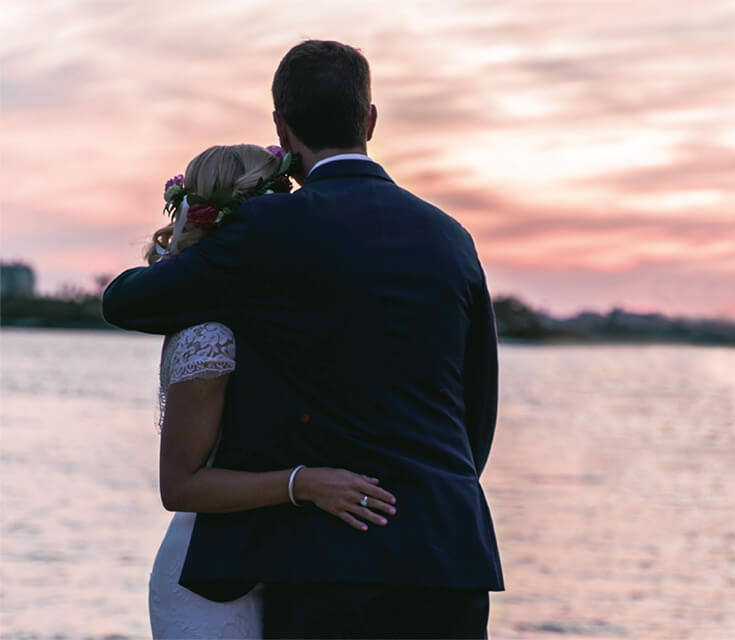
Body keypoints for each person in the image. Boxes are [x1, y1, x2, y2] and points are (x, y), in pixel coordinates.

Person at [102, 40, 503, 638]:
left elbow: (125, 301)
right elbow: (478, 408)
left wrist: (193, 241)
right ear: (370, 120)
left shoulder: (269, 229)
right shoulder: (452, 238)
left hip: (331, 562)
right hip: (451, 555)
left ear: (282, 130)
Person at [144, 144, 397, 638]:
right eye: (282, 197)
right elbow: (180, 487)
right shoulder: (210, 335)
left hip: (271, 561)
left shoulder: (267, 322)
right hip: (205, 578)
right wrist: (305, 483)